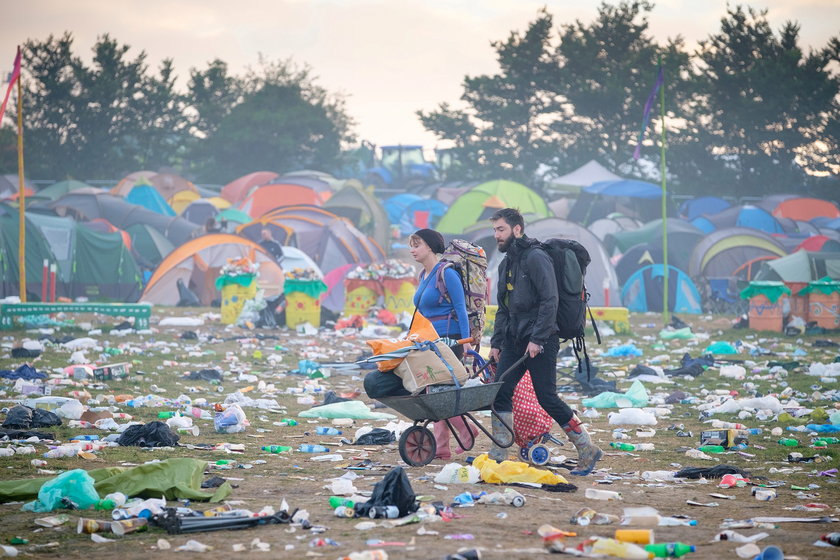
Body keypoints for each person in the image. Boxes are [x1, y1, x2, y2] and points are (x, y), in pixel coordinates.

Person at [487, 208, 602, 475]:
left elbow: (551, 300)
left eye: (501, 229)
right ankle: (498, 453)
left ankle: (587, 448)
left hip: (542, 339)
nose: (496, 235)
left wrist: (538, 339)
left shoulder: (537, 258)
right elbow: (503, 308)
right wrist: (496, 343)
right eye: (494, 230)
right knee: (500, 391)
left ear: (517, 229)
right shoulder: (507, 263)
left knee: (546, 397)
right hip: (515, 339)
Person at [363, 228, 477, 460]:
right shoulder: (423, 276)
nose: (412, 250)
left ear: (431, 247)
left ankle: (467, 430)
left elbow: (461, 310)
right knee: (433, 390)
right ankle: (441, 445)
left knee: (437, 389)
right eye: (411, 245)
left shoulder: (447, 273)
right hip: (427, 341)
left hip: (449, 340)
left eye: (417, 245)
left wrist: (466, 343)